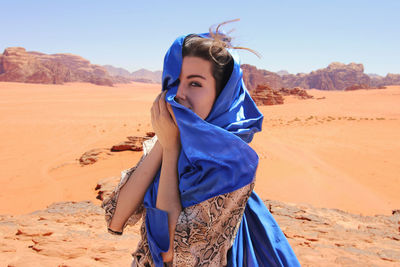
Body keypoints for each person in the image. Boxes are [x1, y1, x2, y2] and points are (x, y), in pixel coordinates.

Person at [102, 21, 301, 267]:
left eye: (195, 83)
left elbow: (172, 253)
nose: (179, 94)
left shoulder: (232, 163)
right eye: (173, 82)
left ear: (222, 94)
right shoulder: (168, 137)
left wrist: (172, 149)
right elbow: (116, 218)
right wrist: (164, 144)